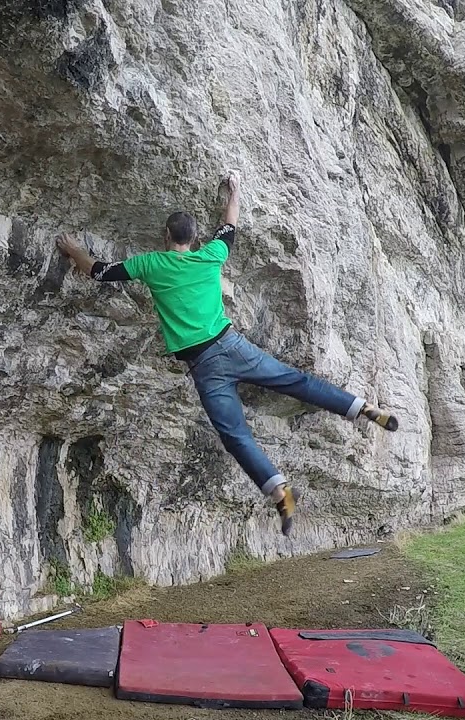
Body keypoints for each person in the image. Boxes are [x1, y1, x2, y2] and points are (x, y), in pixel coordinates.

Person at [55, 174, 399, 536]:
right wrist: (233, 192)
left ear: (166, 237)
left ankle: (280, 492)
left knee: (236, 436)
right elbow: (229, 224)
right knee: (298, 383)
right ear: (194, 238)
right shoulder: (211, 255)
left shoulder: (152, 264)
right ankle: (363, 408)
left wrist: (73, 248)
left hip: (205, 366)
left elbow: (99, 271)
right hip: (233, 346)